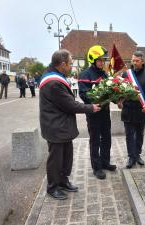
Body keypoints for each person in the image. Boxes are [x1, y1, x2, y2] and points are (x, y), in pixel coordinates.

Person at [40, 49, 101, 200]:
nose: (71, 67)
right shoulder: (54, 82)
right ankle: (53, 187)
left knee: (66, 157)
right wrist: (91, 108)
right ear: (62, 64)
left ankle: (63, 181)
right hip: (56, 127)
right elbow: (70, 105)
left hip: (61, 126)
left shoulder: (56, 76)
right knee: (56, 159)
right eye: (71, 64)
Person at [79, 45, 116, 180]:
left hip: (105, 113)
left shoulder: (105, 74)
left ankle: (105, 162)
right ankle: (97, 167)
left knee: (107, 139)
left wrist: (117, 100)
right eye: (100, 60)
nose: (102, 62)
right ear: (93, 60)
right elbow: (83, 95)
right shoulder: (85, 75)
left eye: (103, 60)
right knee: (95, 140)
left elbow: (111, 92)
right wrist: (97, 99)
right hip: (93, 114)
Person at [118, 51, 145, 168]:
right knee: (129, 135)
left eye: (137, 61)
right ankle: (131, 157)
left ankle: (138, 155)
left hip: (141, 110)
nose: (134, 63)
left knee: (140, 134)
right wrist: (119, 101)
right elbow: (120, 91)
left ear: (142, 61)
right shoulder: (126, 74)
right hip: (128, 110)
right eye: (133, 60)